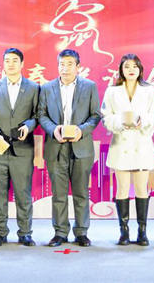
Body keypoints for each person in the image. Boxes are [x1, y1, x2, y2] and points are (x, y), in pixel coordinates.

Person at [38, 49, 101, 247]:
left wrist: (81, 131)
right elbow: (41, 115)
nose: (65, 68)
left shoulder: (89, 87)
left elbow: (95, 115)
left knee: (81, 192)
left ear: (78, 67)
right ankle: (60, 232)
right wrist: (53, 130)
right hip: (56, 146)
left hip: (81, 147)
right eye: (61, 64)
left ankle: (81, 232)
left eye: (69, 64)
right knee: (59, 194)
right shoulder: (47, 88)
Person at [101, 54, 154, 246]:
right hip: (121, 145)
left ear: (140, 70)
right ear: (121, 69)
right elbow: (105, 117)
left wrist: (142, 121)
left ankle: (142, 231)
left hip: (141, 144)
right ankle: (124, 231)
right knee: (121, 188)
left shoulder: (149, 90)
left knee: (141, 188)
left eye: (135, 66)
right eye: (127, 66)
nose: (131, 70)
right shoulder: (112, 91)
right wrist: (120, 122)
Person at [0, 48, 39, 247]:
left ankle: (25, 233)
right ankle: (0, 233)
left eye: (15, 60)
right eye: (7, 60)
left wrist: (28, 126)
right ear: (3, 64)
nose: (11, 64)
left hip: (23, 149)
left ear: (22, 64)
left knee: (23, 193)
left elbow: (38, 115)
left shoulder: (33, 88)